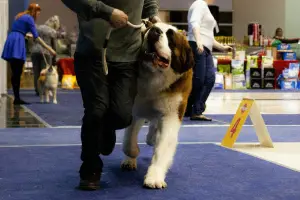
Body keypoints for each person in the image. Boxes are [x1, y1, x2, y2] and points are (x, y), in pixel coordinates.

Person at [61, 0, 161, 190]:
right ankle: (90, 168)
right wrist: (107, 12)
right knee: (96, 110)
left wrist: (152, 14)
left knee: (123, 115)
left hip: (129, 55)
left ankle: (105, 128)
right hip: (93, 52)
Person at [1, 3, 56, 105]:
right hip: (18, 42)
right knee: (17, 71)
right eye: (38, 12)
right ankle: (17, 98)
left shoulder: (20, 15)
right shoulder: (30, 18)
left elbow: (18, 29)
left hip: (12, 39)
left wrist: (26, 35)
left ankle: (16, 97)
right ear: (35, 11)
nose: (38, 15)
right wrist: (49, 48)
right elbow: (37, 37)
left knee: (14, 71)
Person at [186, 0, 231, 121]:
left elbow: (208, 35)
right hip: (197, 46)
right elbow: (194, 22)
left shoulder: (204, 7)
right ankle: (189, 108)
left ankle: (196, 110)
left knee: (209, 79)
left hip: (205, 48)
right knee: (199, 80)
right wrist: (199, 41)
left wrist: (222, 47)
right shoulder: (199, 4)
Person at [31, 15, 60, 96]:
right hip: (46, 53)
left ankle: (37, 90)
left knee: (36, 72)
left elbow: (33, 39)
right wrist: (54, 59)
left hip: (35, 51)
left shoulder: (38, 28)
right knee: (45, 72)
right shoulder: (52, 31)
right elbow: (54, 47)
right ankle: (44, 91)